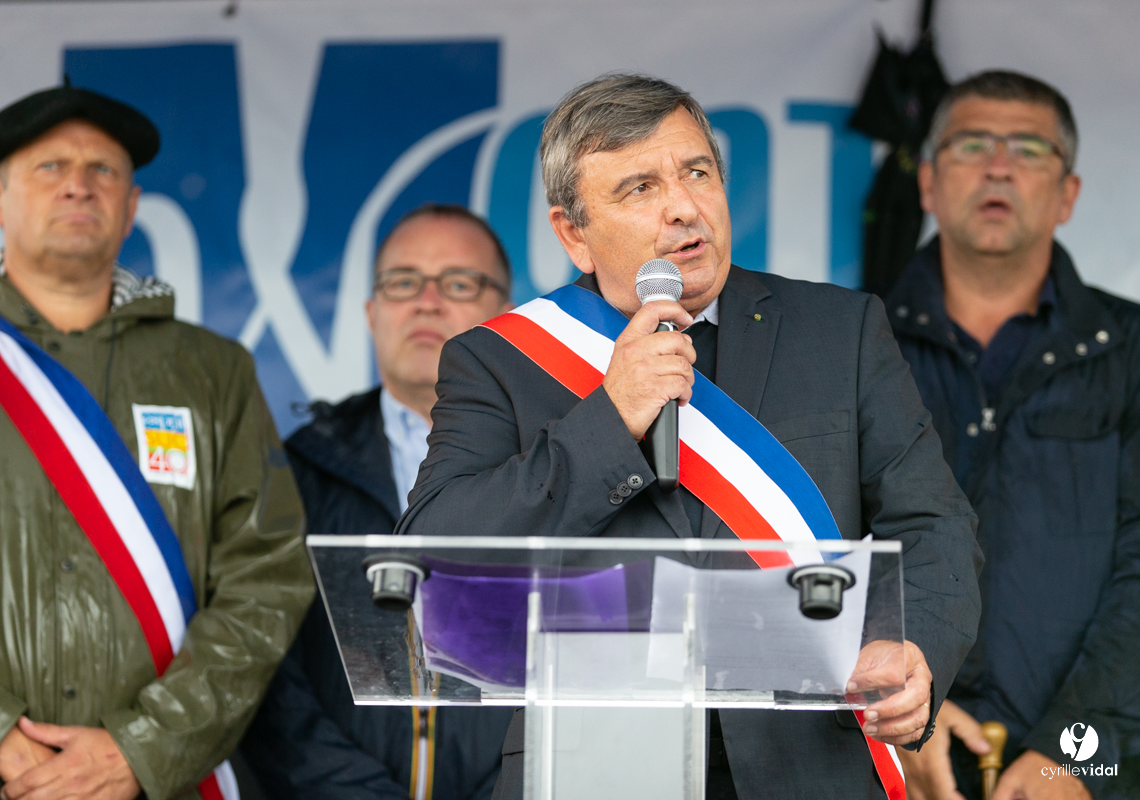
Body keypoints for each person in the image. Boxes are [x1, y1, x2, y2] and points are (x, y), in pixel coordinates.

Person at [396, 73, 982, 799]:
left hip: (808, 764)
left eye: (697, 173)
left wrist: (913, 646)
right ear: (574, 234)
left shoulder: (841, 331)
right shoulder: (499, 361)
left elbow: (933, 524)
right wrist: (611, 418)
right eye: (639, 188)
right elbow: (434, 557)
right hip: (593, 769)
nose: (682, 206)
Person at [0, 84, 315, 800]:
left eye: (103, 170)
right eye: (50, 166)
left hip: (160, 784)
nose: (78, 185)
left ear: (131, 204)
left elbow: (268, 575)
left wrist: (141, 749)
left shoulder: (213, 370)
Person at [888, 70, 1140, 800]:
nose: (999, 167)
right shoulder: (852, 344)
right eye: (973, 145)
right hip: (895, 756)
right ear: (929, 183)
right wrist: (898, 713)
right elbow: (818, 549)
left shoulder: (1130, 349)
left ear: (1068, 194)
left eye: (1029, 149)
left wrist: (1078, 751)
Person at [240, 204, 516, 800]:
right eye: (402, 282)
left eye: (459, 284)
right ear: (371, 313)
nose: (426, 302)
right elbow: (266, 674)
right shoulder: (299, 468)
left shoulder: (556, 467)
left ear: (508, 314)